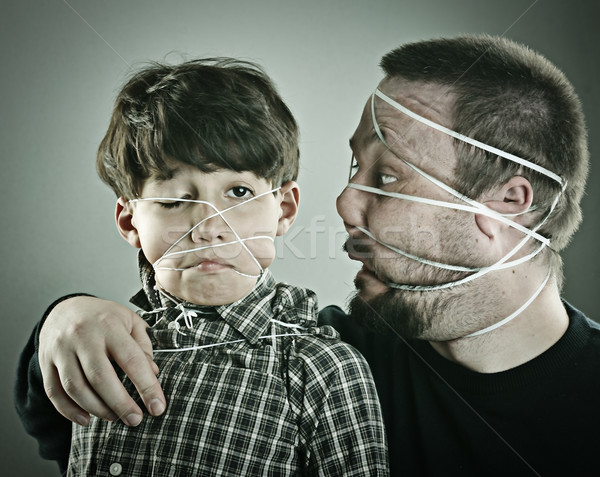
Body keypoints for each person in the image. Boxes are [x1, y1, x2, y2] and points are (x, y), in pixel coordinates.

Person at [15, 34, 598, 476]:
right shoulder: (327, 352)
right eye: (354, 168)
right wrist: (64, 320)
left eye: (389, 177)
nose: (343, 203)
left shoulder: (326, 377)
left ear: (509, 204)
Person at [15, 58, 388, 476]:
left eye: (239, 191)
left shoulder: (320, 369)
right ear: (129, 220)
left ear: (283, 210)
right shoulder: (103, 344)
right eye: (174, 200)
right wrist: (58, 317)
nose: (210, 228)